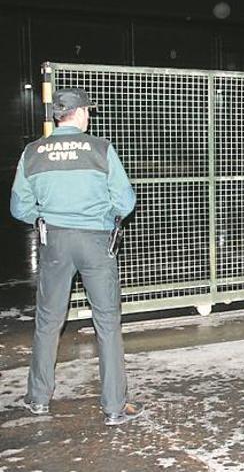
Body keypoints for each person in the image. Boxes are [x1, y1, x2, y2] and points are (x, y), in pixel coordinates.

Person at [10, 88, 143, 425]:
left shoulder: (33, 152)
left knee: (48, 321)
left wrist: (45, 217)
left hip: (54, 243)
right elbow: (126, 202)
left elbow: (19, 207)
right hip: (96, 243)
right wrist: (103, 215)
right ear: (80, 112)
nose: (89, 117)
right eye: (88, 111)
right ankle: (114, 407)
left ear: (59, 115)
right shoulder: (100, 149)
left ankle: (38, 398)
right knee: (108, 323)